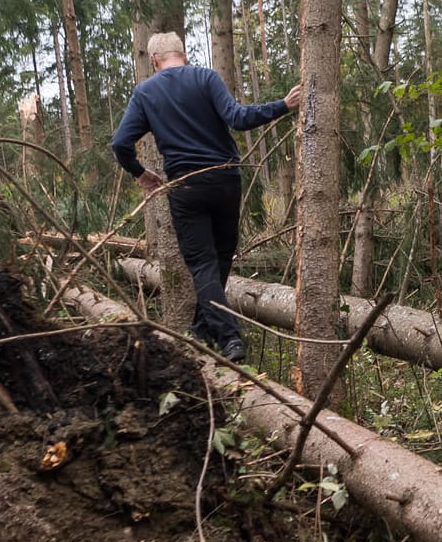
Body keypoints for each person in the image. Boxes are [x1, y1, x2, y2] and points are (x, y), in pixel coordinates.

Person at [111, 32, 301, 361]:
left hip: (186, 187)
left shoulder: (145, 93)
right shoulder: (206, 77)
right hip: (226, 181)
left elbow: (120, 144)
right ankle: (201, 330)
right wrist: (283, 106)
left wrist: (140, 173)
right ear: (182, 54)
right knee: (221, 260)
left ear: (154, 61)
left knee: (202, 265)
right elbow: (238, 119)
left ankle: (228, 339)